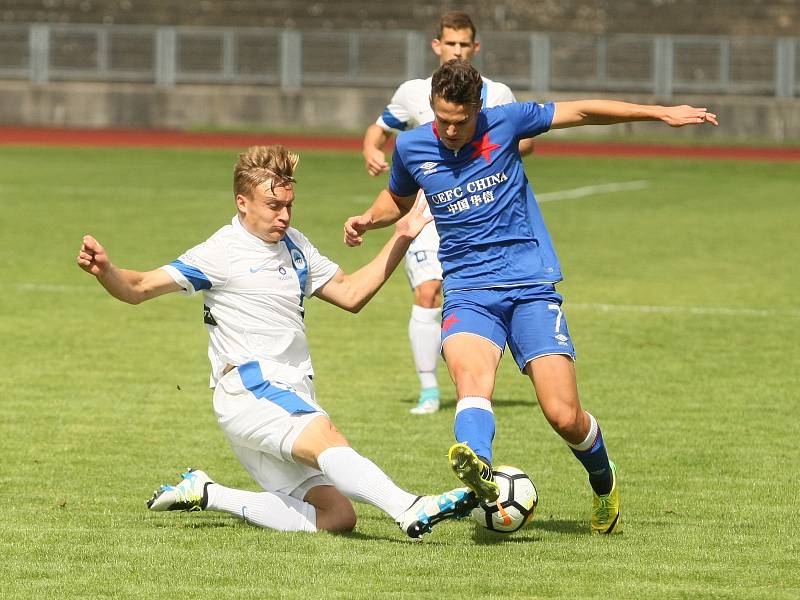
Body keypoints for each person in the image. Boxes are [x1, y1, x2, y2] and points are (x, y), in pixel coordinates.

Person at [344, 60, 718, 534]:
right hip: (468, 289)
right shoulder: (414, 146)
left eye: (460, 121)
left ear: (478, 108)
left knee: (563, 416)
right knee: (472, 382)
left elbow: (582, 112)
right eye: (442, 119)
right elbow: (396, 200)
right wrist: (364, 218)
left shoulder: (507, 120)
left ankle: (604, 484)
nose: (451, 130)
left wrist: (658, 113)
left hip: (529, 284)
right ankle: (478, 469)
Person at [76, 144, 477, 540]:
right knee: (328, 438)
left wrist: (403, 233)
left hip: (289, 389)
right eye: (273, 206)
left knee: (337, 516)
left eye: (289, 205)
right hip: (251, 388)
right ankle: (409, 507)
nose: (283, 216)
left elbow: (352, 294)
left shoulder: (296, 245)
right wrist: (107, 271)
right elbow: (140, 286)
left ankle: (208, 492)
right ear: (242, 203)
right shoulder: (222, 251)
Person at [363, 11, 535, 415]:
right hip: (427, 213)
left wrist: (501, 148)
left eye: (464, 44)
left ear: (475, 48)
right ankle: (428, 391)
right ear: (436, 45)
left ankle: (479, 368)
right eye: (450, 43)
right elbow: (380, 128)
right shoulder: (413, 92)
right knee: (427, 292)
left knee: (478, 295)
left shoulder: (497, 95)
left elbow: (525, 142)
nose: (456, 50)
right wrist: (371, 148)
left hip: (482, 211)